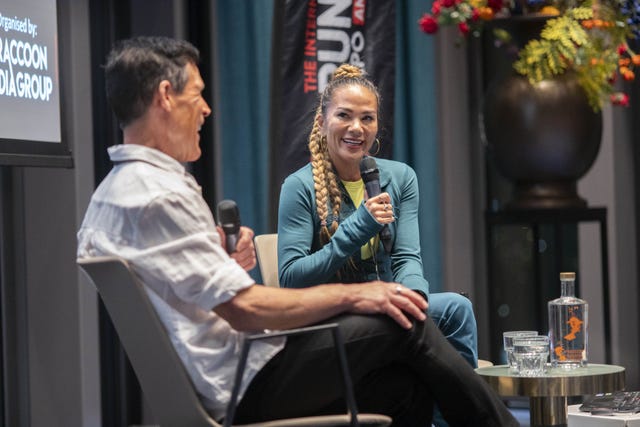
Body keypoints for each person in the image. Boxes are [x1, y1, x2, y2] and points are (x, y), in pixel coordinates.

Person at [77, 36, 518, 426]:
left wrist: (219, 259)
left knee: (406, 386)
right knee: (405, 323)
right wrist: (356, 295)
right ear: (165, 96)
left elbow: (182, 290)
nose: (207, 109)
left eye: (368, 118)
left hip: (230, 372)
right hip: (241, 380)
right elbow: (247, 309)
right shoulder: (161, 194)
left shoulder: (112, 196)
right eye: (198, 95)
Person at [277, 64, 478, 370]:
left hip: (387, 305)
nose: (356, 127)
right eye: (344, 115)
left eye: (367, 118)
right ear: (321, 122)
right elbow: (291, 279)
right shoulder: (299, 186)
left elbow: (407, 258)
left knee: (456, 308)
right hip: (333, 317)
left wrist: (411, 300)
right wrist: (359, 226)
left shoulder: (400, 177)